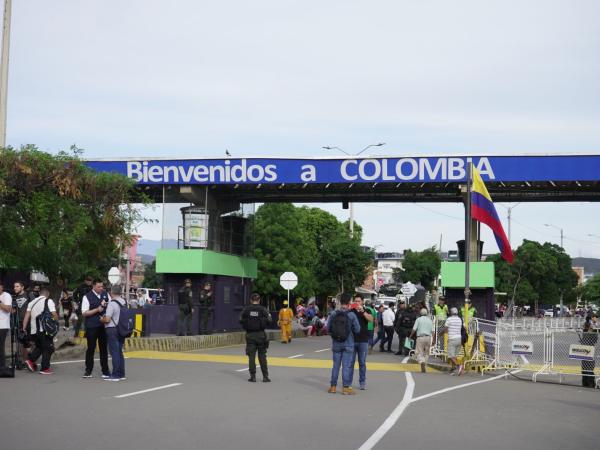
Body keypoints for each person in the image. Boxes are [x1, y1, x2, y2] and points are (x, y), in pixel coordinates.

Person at [327, 293, 360, 395]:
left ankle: (333, 387)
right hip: (348, 343)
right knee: (346, 366)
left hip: (336, 343)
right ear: (349, 302)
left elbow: (328, 328)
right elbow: (357, 330)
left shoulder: (333, 313)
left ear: (340, 302)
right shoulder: (351, 315)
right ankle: (345, 388)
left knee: (335, 366)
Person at [22, 288, 58, 374]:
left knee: (40, 346)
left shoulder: (32, 302)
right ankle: (45, 368)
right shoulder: (48, 301)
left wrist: (24, 328)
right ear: (47, 294)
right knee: (49, 348)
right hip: (44, 329)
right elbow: (54, 314)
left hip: (34, 331)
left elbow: (27, 316)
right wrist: (55, 322)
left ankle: (30, 361)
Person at [82, 279, 110, 378]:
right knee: (91, 349)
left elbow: (110, 307)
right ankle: (88, 371)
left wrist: (106, 315)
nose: (101, 288)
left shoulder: (105, 294)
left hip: (103, 326)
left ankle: (105, 371)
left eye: (102, 286)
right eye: (99, 287)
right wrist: (97, 310)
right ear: (93, 286)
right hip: (92, 326)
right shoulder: (87, 297)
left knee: (103, 349)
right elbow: (85, 313)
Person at [240, 293, 271, 382]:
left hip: (250, 335)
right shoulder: (263, 309)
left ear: (251, 300)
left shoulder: (246, 309)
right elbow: (269, 320)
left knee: (251, 356)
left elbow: (240, 319)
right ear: (259, 300)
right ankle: (265, 376)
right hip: (261, 335)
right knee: (262, 356)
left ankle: (253, 376)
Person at [100, 285, 127, 382]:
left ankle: (115, 375)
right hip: (121, 329)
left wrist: (101, 319)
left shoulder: (112, 303)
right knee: (119, 351)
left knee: (114, 352)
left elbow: (107, 319)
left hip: (112, 329)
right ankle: (121, 373)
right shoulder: (124, 302)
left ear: (111, 292)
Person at [349, 295, 373, 390]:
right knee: (350, 363)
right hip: (352, 340)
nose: (357, 303)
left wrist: (362, 311)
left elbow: (370, 320)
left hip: (363, 340)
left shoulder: (367, 310)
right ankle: (348, 382)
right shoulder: (351, 311)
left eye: (358, 301)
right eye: (355, 301)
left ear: (362, 302)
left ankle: (362, 382)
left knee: (362, 362)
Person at [13, 281, 32, 368]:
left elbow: (34, 306)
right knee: (22, 341)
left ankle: (29, 360)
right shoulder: (15, 297)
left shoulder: (29, 295)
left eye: (17, 286)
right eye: (14, 287)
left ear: (22, 287)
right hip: (19, 322)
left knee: (28, 342)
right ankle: (24, 361)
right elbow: (15, 311)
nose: (15, 288)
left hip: (29, 321)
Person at [410, 308, 434, 373]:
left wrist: (410, 336)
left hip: (420, 337)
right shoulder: (430, 320)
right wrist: (433, 339)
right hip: (428, 337)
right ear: (426, 313)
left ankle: (422, 361)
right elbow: (433, 331)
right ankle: (424, 363)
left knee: (418, 352)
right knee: (427, 352)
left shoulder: (418, 319)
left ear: (420, 313)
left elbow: (414, 329)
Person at [444, 307, 464, 375]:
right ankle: (453, 370)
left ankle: (459, 366)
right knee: (454, 356)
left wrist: (447, 334)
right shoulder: (459, 319)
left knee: (450, 355)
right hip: (459, 339)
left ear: (451, 312)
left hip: (452, 339)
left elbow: (445, 329)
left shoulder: (449, 319)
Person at [580, 313, 598, 388]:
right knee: (590, 366)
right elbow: (595, 339)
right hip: (590, 349)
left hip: (584, 349)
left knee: (584, 366)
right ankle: (590, 383)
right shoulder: (592, 332)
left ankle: (585, 382)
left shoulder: (584, 332)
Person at [0, 282, 12, 372]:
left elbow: (8, 309)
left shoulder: (6, 296)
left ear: (2, 287)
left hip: (2, 325)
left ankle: (2, 367)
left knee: (0, 346)